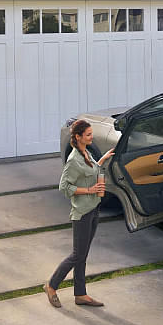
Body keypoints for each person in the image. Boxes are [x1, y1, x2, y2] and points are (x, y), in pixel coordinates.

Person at [44, 120, 114, 308]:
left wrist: (103, 159)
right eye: (89, 134)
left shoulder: (86, 153)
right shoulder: (74, 160)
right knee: (77, 255)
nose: (92, 137)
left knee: (82, 254)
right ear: (78, 137)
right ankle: (51, 285)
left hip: (93, 209)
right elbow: (64, 187)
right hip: (82, 213)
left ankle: (81, 294)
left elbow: (90, 171)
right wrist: (90, 190)